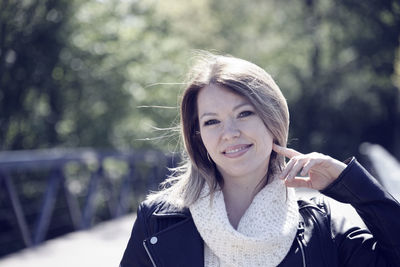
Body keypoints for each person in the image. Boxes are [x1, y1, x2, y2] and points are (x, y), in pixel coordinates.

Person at [120, 53, 400, 267]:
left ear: (273, 118)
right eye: (212, 121)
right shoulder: (157, 222)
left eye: (244, 114)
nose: (229, 133)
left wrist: (352, 184)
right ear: (198, 137)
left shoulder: (321, 224)